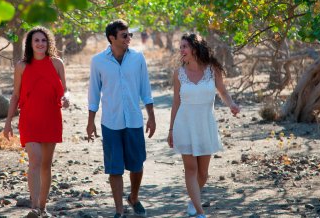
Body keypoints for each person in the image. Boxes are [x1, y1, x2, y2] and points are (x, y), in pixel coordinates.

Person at [87, 19, 156, 218]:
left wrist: (151, 116)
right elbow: (94, 93)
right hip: (111, 122)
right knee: (114, 168)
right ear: (112, 38)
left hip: (134, 120)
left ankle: (134, 197)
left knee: (136, 165)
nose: (129, 38)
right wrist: (90, 121)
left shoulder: (138, 58)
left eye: (129, 35)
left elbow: (146, 89)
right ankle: (119, 210)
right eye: (124, 35)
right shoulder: (98, 61)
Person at [167, 33, 240, 218]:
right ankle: (200, 212)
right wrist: (170, 130)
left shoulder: (212, 69)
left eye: (184, 46)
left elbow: (222, 91)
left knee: (203, 173)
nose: (181, 50)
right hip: (184, 124)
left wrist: (231, 104)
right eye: (180, 46)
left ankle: (193, 199)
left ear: (194, 48)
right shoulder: (179, 74)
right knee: (191, 169)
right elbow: (176, 102)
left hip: (205, 124)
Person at [3, 26, 69, 218]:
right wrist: (7, 123)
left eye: (43, 40)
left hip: (51, 118)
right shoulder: (21, 66)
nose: (40, 44)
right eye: (36, 40)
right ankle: (33, 206)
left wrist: (66, 99)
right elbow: (15, 95)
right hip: (29, 119)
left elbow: (64, 90)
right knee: (35, 161)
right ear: (30, 44)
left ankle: (42, 207)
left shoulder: (57, 63)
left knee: (46, 165)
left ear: (48, 43)